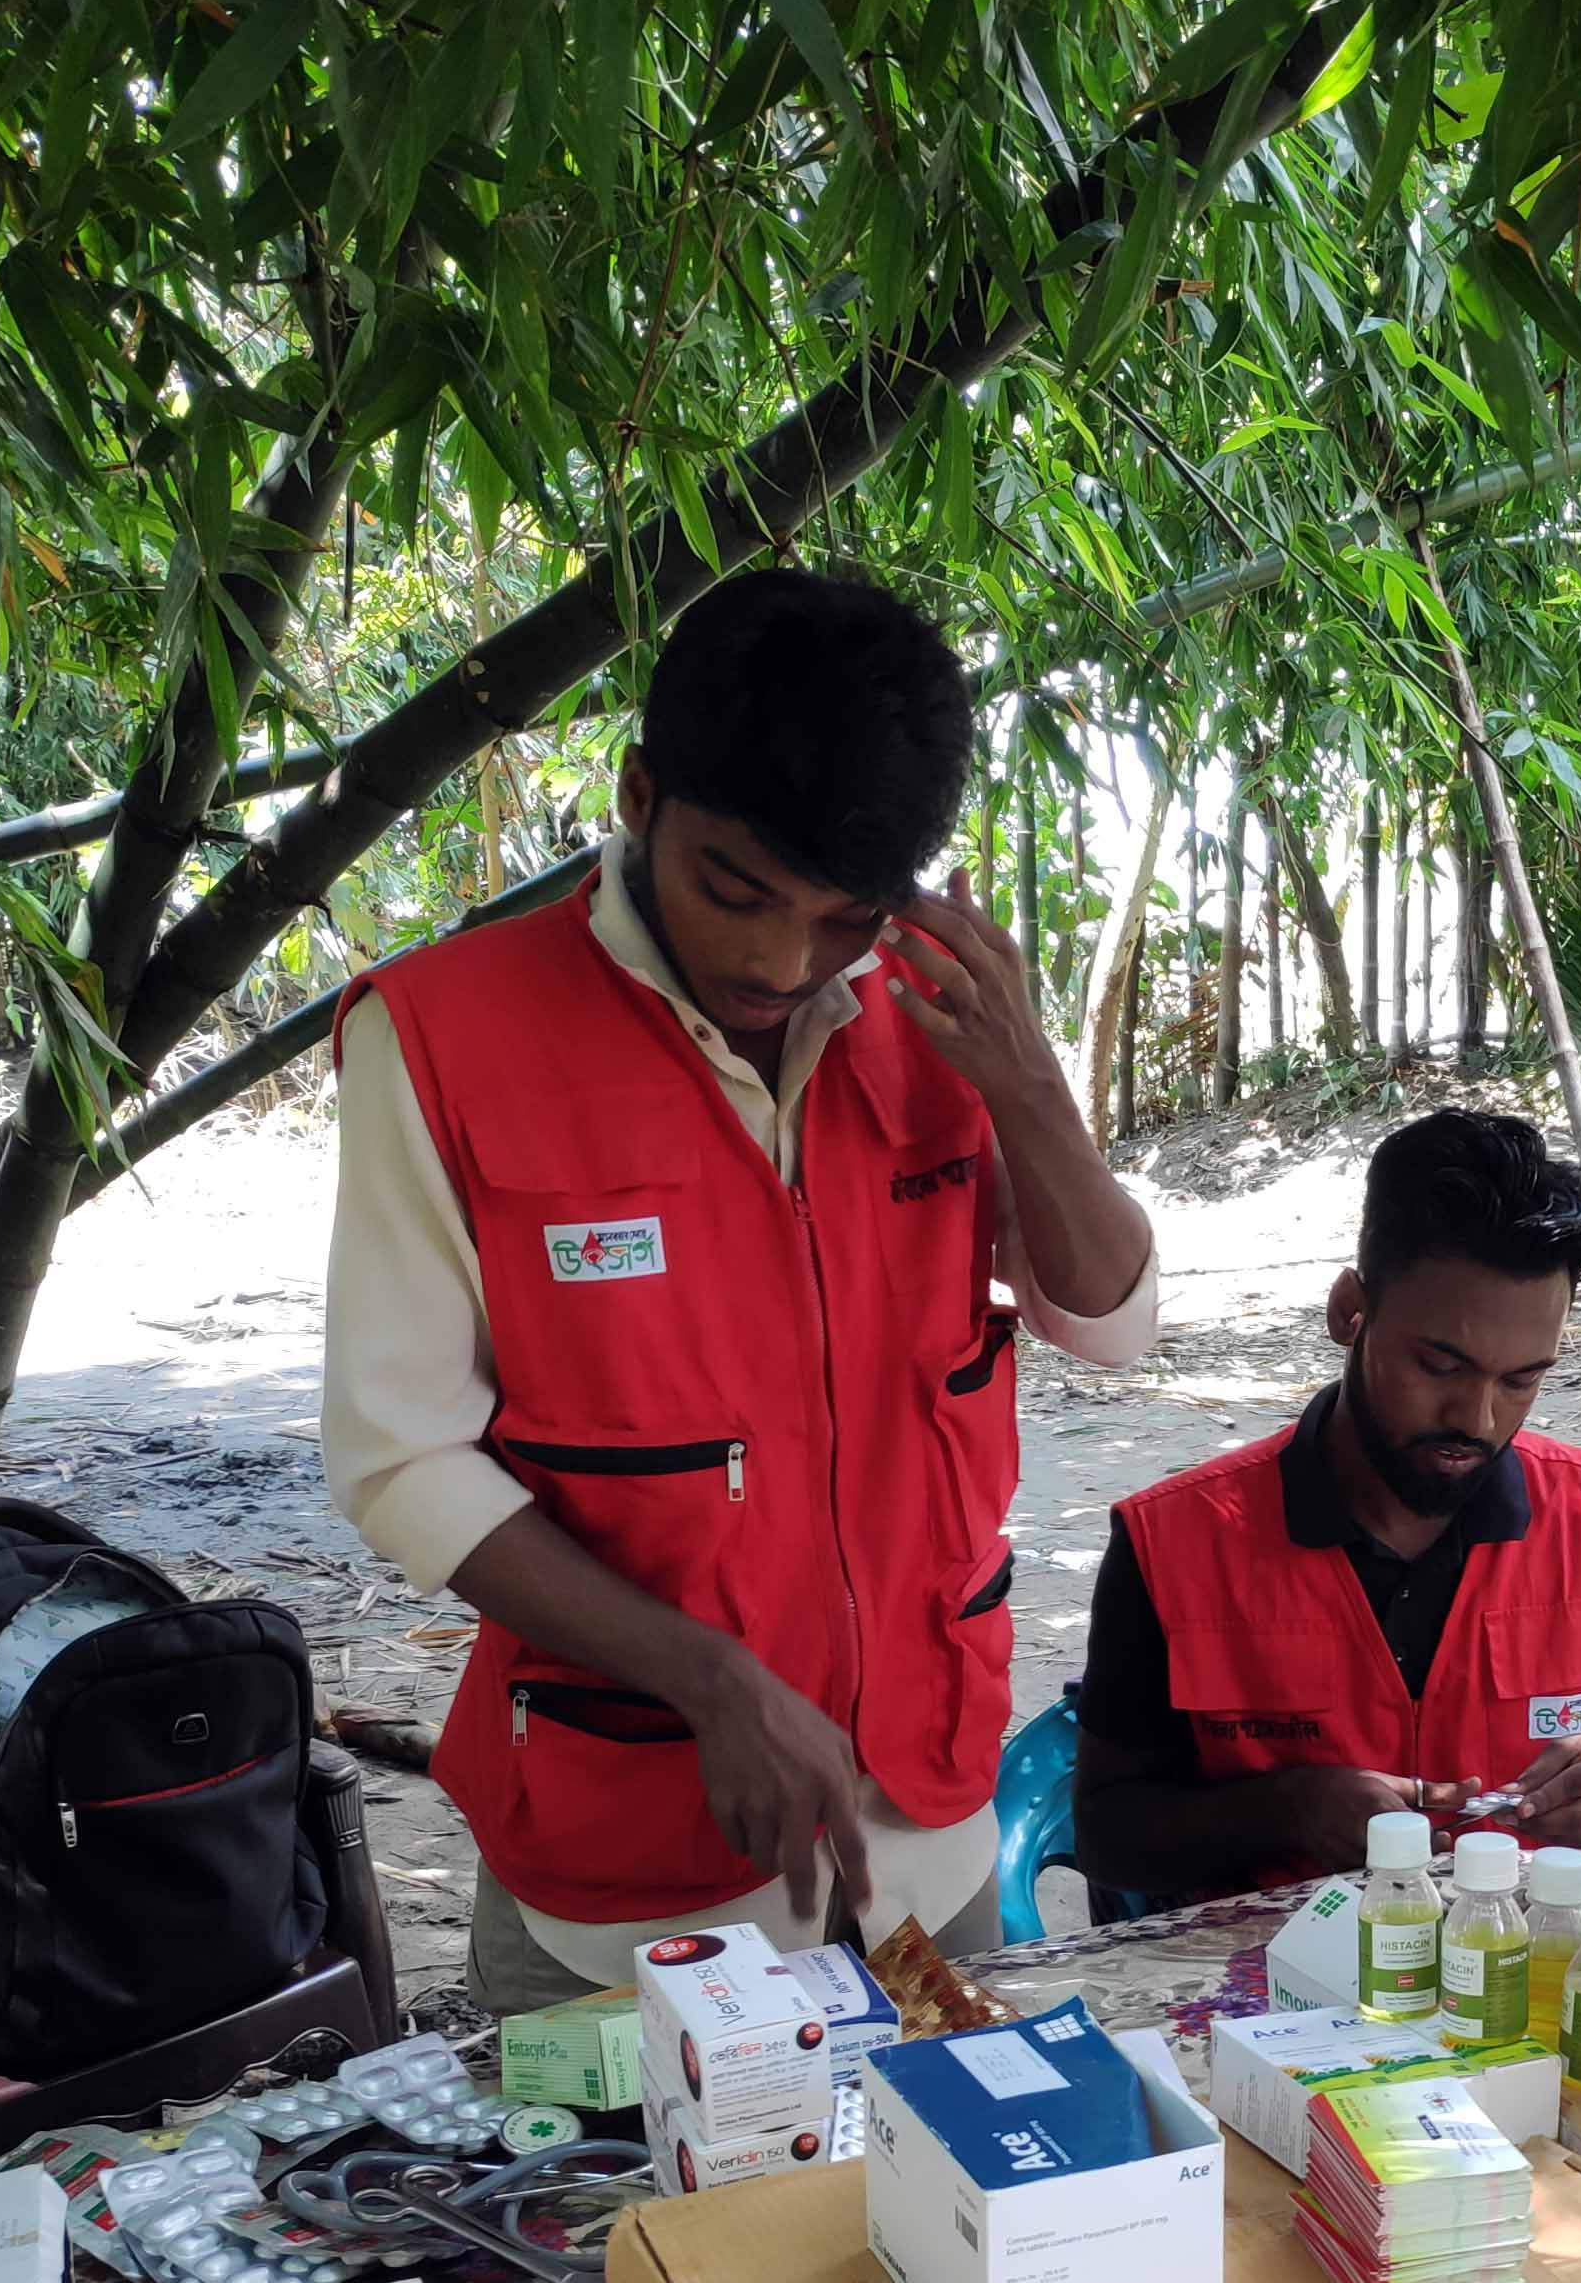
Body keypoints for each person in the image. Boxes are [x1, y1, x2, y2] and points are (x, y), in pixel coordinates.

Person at [323, 569, 1156, 2003]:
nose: (783, 960)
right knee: (618, 2235)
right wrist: (707, 1678)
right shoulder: (444, 1039)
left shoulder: (939, 1011)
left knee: (945, 2220)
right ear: (642, 795)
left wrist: (1030, 1092)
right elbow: (401, 1460)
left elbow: (1112, 1323)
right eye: (737, 890)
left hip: (929, 1857)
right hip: (619, 1902)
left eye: (845, 917)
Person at [1072, 1108, 1581, 1905]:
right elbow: (1106, 1842)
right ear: (1351, 1311)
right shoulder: (1174, 1542)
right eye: (1440, 1364)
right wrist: (1280, 1814)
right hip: (1277, 1995)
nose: (1478, 1420)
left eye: (1521, 1379)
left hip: (1536, 1974)